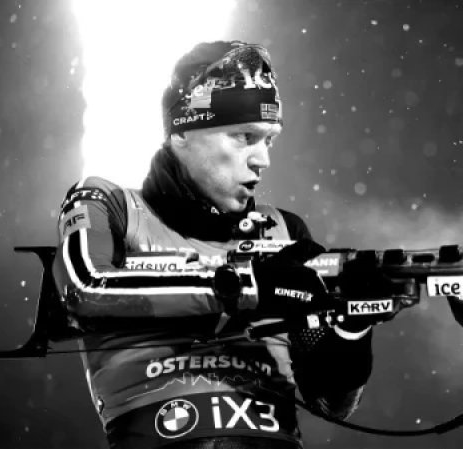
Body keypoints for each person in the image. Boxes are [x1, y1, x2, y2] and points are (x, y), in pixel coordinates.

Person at [51, 41, 383, 449]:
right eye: (245, 136)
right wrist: (246, 286)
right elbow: (83, 288)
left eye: (268, 140)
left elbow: (331, 403)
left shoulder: (284, 230)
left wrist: (352, 327)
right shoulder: (110, 203)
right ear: (183, 131)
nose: (263, 159)